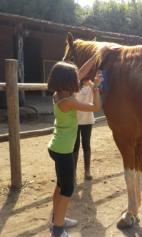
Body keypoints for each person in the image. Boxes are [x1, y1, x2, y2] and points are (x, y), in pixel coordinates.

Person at [47, 61, 101, 237]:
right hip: (63, 151)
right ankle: (58, 230)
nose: (77, 81)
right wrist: (96, 89)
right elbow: (96, 108)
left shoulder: (58, 95)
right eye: (74, 78)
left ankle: (57, 220)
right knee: (67, 190)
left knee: (61, 185)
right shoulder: (69, 101)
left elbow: (78, 77)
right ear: (68, 82)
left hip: (57, 146)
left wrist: (90, 65)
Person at [73, 71, 101, 181]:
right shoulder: (74, 87)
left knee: (86, 144)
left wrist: (95, 85)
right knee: (75, 146)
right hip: (75, 120)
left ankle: (87, 170)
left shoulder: (91, 87)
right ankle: (73, 172)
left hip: (87, 120)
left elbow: (97, 97)